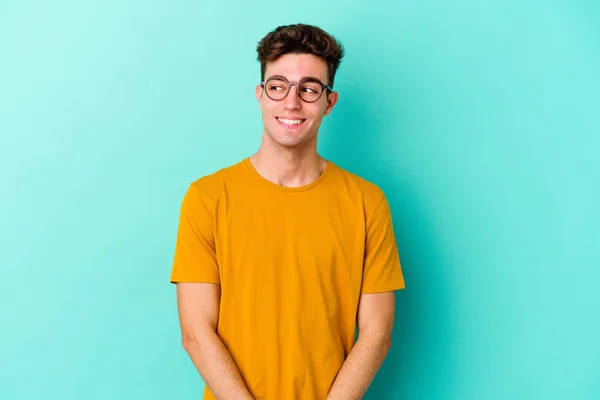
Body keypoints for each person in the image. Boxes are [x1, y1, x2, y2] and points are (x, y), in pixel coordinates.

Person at [170, 23, 405, 400]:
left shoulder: (367, 203)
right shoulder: (207, 198)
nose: (292, 103)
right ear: (261, 95)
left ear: (330, 102)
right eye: (278, 86)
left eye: (309, 89)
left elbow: (377, 333)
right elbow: (196, 332)